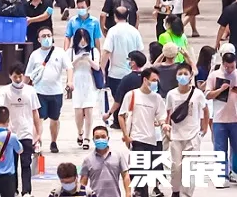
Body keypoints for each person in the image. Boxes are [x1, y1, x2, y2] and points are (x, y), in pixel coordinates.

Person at [118, 68, 168, 197]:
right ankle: (140, 193)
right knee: (140, 173)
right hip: (137, 139)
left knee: (146, 173)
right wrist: (126, 135)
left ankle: (140, 192)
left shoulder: (157, 98)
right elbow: (121, 115)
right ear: (145, 80)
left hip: (151, 140)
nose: (155, 83)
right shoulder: (132, 95)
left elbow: (161, 116)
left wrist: (163, 124)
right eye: (153, 80)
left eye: (157, 81)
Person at [25, 27, 73, 153]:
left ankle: (53, 142)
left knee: (55, 118)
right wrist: (23, 88)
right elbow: (28, 74)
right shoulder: (35, 55)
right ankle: (37, 141)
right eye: (44, 36)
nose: (47, 38)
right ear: (39, 39)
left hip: (56, 92)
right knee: (39, 118)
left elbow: (69, 68)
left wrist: (70, 81)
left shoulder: (60, 53)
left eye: (49, 35)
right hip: (39, 92)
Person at [0, 64, 41, 197]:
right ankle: (13, 190)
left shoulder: (30, 90)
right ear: (10, 76)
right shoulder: (4, 91)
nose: (17, 79)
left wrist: (38, 133)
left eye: (20, 76)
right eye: (15, 76)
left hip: (26, 133)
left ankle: (26, 191)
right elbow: (1, 110)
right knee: (12, 165)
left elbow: (35, 113)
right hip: (10, 134)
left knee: (26, 163)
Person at [166, 62, 209, 197]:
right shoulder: (171, 94)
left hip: (193, 136)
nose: (183, 76)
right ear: (176, 76)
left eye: (186, 74)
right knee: (176, 167)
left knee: (190, 168)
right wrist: (167, 127)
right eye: (180, 74)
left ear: (191, 76)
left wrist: (204, 128)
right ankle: (175, 191)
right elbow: (168, 112)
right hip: (176, 136)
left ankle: (186, 194)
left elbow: (205, 110)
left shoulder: (198, 94)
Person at [67, 28, 101, 150]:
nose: (83, 42)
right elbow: (68, 66)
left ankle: (87, 137)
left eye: (85, 39)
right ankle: (80, 132)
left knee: (89, 110)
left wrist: (88, 59)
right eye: (80, 39)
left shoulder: (93, 51)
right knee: (78, 111)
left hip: (89, 82)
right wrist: (78, 58)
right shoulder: (71, 52)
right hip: (76, 82)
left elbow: (97, 67)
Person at [205, 51, 237, 182]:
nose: (229, 70)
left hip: (235, 118)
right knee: (220, 149)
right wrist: (221, 90)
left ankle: (235, 172)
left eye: (232, 67)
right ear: (223, 64)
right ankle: (222, 175)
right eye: (227, 67)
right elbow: (207, 95)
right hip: (219, 119)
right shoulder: (214, 75)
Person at [79, 125, 132, 197]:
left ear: (108, 138)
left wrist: (128, 193)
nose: (100, 139)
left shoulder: (118, 156)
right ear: (93, 140)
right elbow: (83, 182)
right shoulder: (88, 159)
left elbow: (125, 175)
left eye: (103, 137)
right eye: (97, 137)